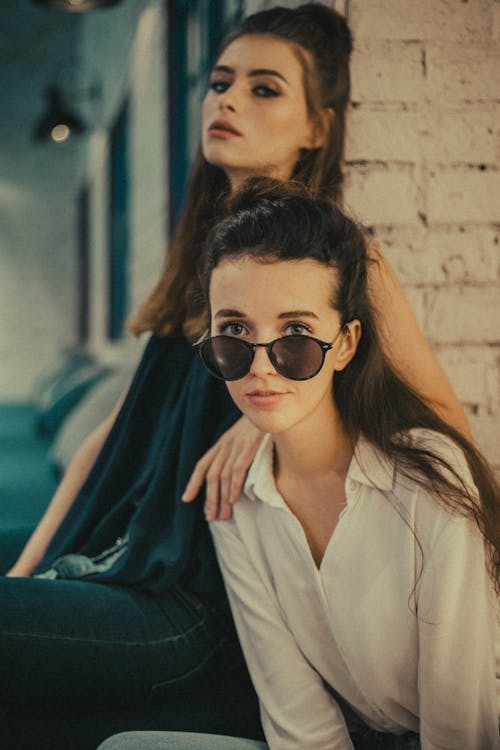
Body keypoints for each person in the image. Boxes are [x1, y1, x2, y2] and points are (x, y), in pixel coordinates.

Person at [0, 2, 473, 746]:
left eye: (264, 88)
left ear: (317, 126)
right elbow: (113, 438)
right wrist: (29, 570)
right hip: (129, 540)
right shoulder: (209, 258)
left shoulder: (342, 265)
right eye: (220, 82)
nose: (225, 99)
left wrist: (266, 427)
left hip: (193, 592)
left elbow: (445, 422)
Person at [98, 186, 499, 750]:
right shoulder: (234, 502)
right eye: (235, 332)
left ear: (344, 344)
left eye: (296, 334)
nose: (261, 367)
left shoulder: (429, 478)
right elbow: (299, 720)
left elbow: (462, 730)